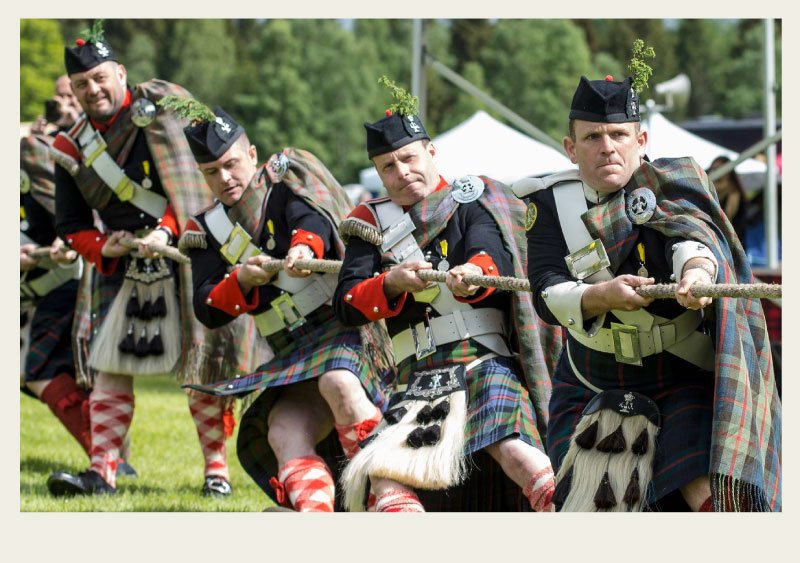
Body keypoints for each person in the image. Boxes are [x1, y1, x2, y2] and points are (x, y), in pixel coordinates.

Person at [517, 74, 781, 511]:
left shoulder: (673, 187)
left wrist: (697, 276)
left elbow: (691, 243)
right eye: (593, 137)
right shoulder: (548, 205)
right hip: (589, 379)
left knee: (709, 496)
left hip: (680, 376)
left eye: (619, 135)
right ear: (570, 147)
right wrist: (602, 296)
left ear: (640, 139)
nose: (608, 147)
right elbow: (545, 291)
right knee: (586, 508)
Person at [45, 22, 257, 498]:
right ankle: (103, 472)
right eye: (81, 84)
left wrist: (166, 226)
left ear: (120, 73)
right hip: (121, 265)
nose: (91, 89)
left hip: (184, 250)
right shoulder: (70, 147)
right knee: (109, 368)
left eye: (99, 77)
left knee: (199, 367)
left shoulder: (160, 108)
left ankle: (216, 475)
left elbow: (190, 179)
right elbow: (70, 225)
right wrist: (104, 247)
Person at [333, 85, 560, 512]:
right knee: (384, 477)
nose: (400, 172)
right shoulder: (369, 223)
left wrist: (473, 274)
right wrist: (392, 283)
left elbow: (488, 251)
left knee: (518, 455)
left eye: (408, 158)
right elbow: (346, 304)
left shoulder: (471, 202)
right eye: (388, 166)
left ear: (431, 152)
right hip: (416, 377)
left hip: (482, 361)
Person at [177, 104, 392, 512]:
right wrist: (240, 281)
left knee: (339, 384)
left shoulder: (285, 185)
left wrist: (301, 248)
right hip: (291, 351)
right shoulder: (205, 228)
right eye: (211, 172)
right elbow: (207, 307)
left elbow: (313, 223)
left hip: (342, 332)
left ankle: (388, 502)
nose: (224, 178)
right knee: (282, 430)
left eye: (231, 164)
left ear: (252, 155)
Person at [707, 155, 748, 243]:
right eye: (714, 168)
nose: (716, 170)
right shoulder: (705, 189)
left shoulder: (736, 194)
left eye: (720, 168)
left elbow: (740, 224)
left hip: (730, 241)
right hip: (708, 237)